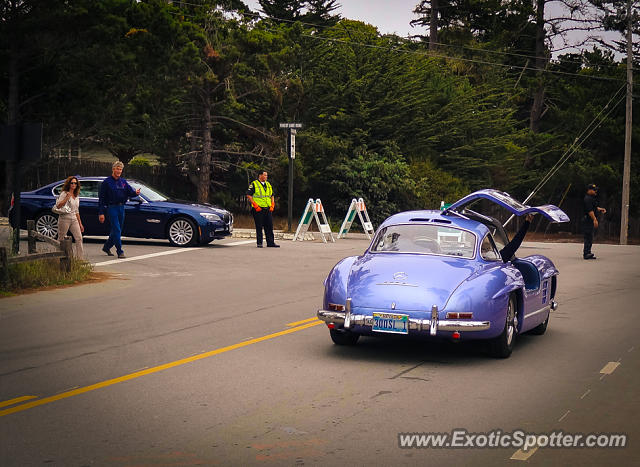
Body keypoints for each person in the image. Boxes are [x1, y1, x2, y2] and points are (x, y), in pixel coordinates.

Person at [98, 161, 140, 258]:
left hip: (121, 208)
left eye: (120, 169)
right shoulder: (106, 182)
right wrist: (101, 213)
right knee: (116, 229)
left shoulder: (123, 182)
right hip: (112, 208)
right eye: (117, 168)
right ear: (113, 169)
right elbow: (101, 199)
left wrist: (136, 193)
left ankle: (107, 247)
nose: (119, 171)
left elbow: (130, 192)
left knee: (117, 230)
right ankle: (120, 251)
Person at [247, 170, 279, 248]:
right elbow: (249, 195)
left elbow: (272, 195)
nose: (266, 177)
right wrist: (255, 205)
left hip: (267, 208)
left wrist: (272, 205)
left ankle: (270, 242)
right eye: (265, 175)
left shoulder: (268, 184)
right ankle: (259, 243)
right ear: (260, 175)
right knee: (259, 226)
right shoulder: (254, 184)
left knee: (269, 226)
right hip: (258, 209)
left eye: (267, 175)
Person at [55, 176, 84, 258]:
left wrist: (80, 223)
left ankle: (80, 259)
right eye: (72, 183)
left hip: (74, 218)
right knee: (61, 238)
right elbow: (58, 206)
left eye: (75, 183)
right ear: (69, 184)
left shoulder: (76, 196)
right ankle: (58, 257)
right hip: (64, 217)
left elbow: (76, 211)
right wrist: (67, 198)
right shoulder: (64, 193)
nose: (73, 184)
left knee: (79, 238)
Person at [583, 183, 606, 260]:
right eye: (593, 189)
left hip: (590, 220)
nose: (595, 191)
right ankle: (586, 253)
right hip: (588, 220)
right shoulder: (587, 199)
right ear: (589, 190)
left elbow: (594, 208)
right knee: (588, 236)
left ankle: (588, 252)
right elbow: (590, 211)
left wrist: (600, 209)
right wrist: (594, 219)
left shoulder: (591, 198)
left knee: (590, 236)